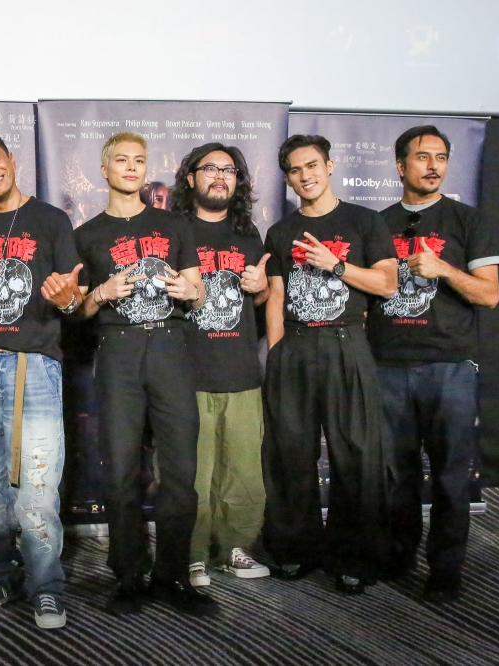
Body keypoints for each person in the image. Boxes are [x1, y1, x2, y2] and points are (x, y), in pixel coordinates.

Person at [0, 131, 83, 630]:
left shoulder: (50, 220)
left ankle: (46, 588)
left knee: (38, 485)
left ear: (11, 159)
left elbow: (73, 299)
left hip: (35, 365)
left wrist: (67, 298)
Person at [74, 133, 210, 616]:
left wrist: (192, 293)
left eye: (139, 161)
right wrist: (102, 293)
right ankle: (129, 575)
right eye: (121, 160)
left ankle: (174, 574)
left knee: (181, 470)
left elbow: (199, 292)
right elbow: (75, 310)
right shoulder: (87, 234)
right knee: (121, 469)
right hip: (118, 350)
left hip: (170, 346)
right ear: (105, 169)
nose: (131, 167)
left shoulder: (174, 224)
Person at [367, 126, 499, 603]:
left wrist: (443, 268)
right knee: (395, 475)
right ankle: (399, 556)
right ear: (400, 166)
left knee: (450, 475)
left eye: (441, 157)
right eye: (422, 157)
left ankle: (445, 569)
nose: (433, 166)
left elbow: (489, 294)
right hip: (387, 365)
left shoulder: (468, 220)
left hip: (449, 367)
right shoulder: (377, 224)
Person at [263, 134, 398, 594]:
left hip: (347, 342)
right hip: (296, 346)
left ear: (330, 166)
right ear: (288, 179)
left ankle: (353, 556)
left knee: (356, 455)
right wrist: (278, 353)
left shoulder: (364, 220)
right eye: (296, 170)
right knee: (290, 452)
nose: (306, 175)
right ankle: (294, 549)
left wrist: (335, 265)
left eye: (313, 165)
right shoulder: (281, 232)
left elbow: (387, 284)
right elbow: (277, 297)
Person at [172, 143, 271, 587]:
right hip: (187, 372)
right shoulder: (174, 230)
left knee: (243, 469)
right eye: (210, 168)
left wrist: (261, 286)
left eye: (228, 170)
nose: (219, 176)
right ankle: (191, 554)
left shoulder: (248, 234)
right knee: (191, 472)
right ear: (191, 177)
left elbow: (261, 301)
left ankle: (236, 547)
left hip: (241, 371)